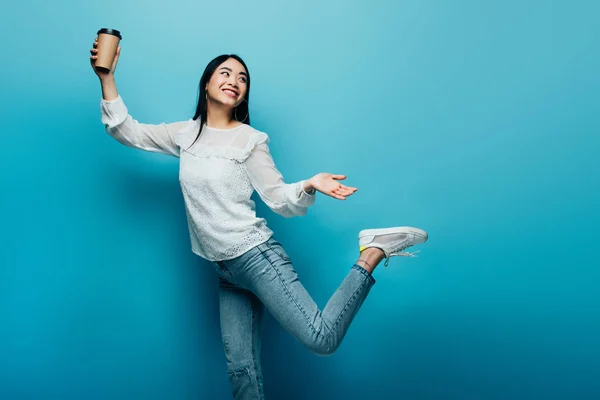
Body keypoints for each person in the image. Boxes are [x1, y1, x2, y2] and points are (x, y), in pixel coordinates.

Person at [90, 38, 428, 400]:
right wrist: (106, 78)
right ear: (206, 83)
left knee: (321, 339)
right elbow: (125, 130)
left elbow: (279, 199)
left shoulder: (249, 140)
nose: (235, 80)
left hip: (257, 258)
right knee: (242, 371)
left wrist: (309, 184)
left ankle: (373, 251)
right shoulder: (185, 134)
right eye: (225, 72)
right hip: (225, 270)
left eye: (243, 77)